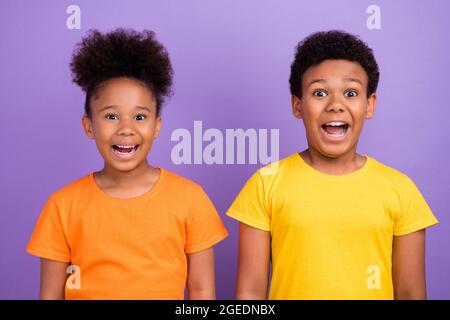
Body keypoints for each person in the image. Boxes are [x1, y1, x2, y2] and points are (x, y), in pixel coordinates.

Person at [227, 30, 438, 300]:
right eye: (319, 92)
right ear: (297, 106)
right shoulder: (265, 183)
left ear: (369, 105)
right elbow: (250, 294)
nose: (336, 105)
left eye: (350, 93)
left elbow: (410, 293)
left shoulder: (400, 189)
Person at [26, 28, 228, 300]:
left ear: (157, 126)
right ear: (88, 126)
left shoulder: (191, 199)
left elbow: (202, 291)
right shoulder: (62, 206)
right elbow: (51, 295)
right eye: (111, 116)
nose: (126, 129)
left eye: (140, 117)